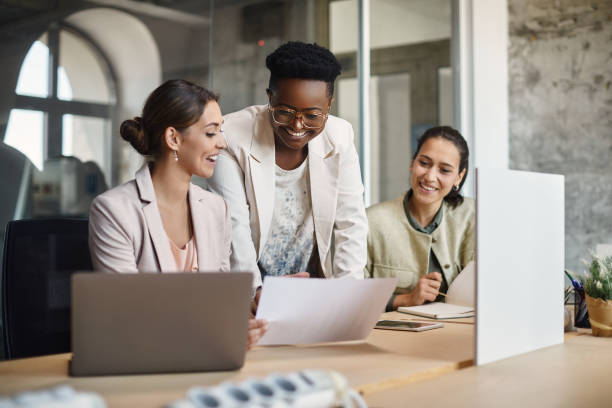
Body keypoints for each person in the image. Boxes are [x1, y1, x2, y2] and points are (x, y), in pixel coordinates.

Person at [88, 79, 267, 349]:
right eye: (211, 133)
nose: (221, 143)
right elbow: (127, 316)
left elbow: (219, 305)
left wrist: (263, 303)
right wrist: (217, 336)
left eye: (220, 132)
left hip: (209, 361)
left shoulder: (216, 209)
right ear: (173, 138)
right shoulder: (114, 211)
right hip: (142, 362)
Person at [207, 41, 368, 292]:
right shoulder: (230, 136)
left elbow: (351, 223)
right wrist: (254, 293)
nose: (297, 125)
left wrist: (348, 294)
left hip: (312, 288)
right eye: (284, 112)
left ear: (329, 105)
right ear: (269, 97)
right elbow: (233, 228)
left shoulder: (340, 135)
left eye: (313, 115)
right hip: (250, 288)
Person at [366, 126, 474, 311]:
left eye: (445, 170)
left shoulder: (473, 216)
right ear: (412, 163)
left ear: (459, 177)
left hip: (461, 332)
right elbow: (349, 298)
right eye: (424, 163)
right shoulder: (371, 221)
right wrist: (405, 299)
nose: (430, 176)